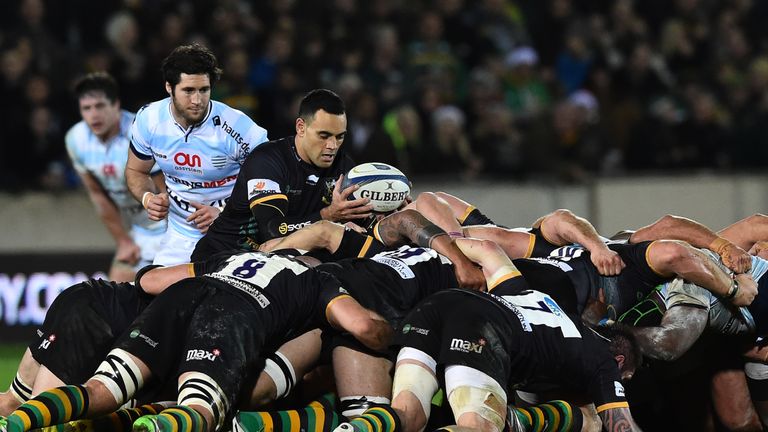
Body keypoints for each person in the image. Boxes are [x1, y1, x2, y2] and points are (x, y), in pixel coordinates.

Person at [0, 251, 393, 432]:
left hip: (183, 296)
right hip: (233, 314)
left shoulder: (233, 257)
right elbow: (360, 327)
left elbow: (150, 281)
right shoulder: (317, 281)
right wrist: (390, 331)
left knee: (102, 389)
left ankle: (23, 422)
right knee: (200, 410)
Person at [340, 237, 644, 432]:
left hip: (434, 307)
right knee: (478, 428)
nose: (620, 384)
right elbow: (622, 427)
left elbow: (489, 252)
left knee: (408, 415)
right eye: (624, 378)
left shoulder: (543, 302)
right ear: (619, 359)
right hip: (481, 328)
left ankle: (352, 430)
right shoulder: (602, 361)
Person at [125, 43, 269, 265]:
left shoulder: (240, 129)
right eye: (188, 91)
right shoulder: (149, 120)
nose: (197, 100)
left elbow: (271, 184)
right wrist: (148, 198)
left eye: (204, 90)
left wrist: (225, 213)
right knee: (153, 292)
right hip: (180, 236)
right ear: (169, 88)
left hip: (237, 235)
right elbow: (136, 170)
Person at [191, 88, 374, 260]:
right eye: (324, 136)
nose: (332, 146)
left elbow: (358, 218)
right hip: (223, 254)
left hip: (277, 262)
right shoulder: (267, 160)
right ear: (301, 127)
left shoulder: (343, 166)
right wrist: (328, 216)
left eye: (340, 136)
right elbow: (272, 229)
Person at [65, 71, 165, 282]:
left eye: (100, 106)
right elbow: (97, 194)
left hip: (169, 225)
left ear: (116, 105)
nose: (93, 115)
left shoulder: (139, 131)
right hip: (138, 229)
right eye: (86, 108)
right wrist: (123, 241)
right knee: (114, 297)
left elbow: (167, 189)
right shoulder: (76, 139)